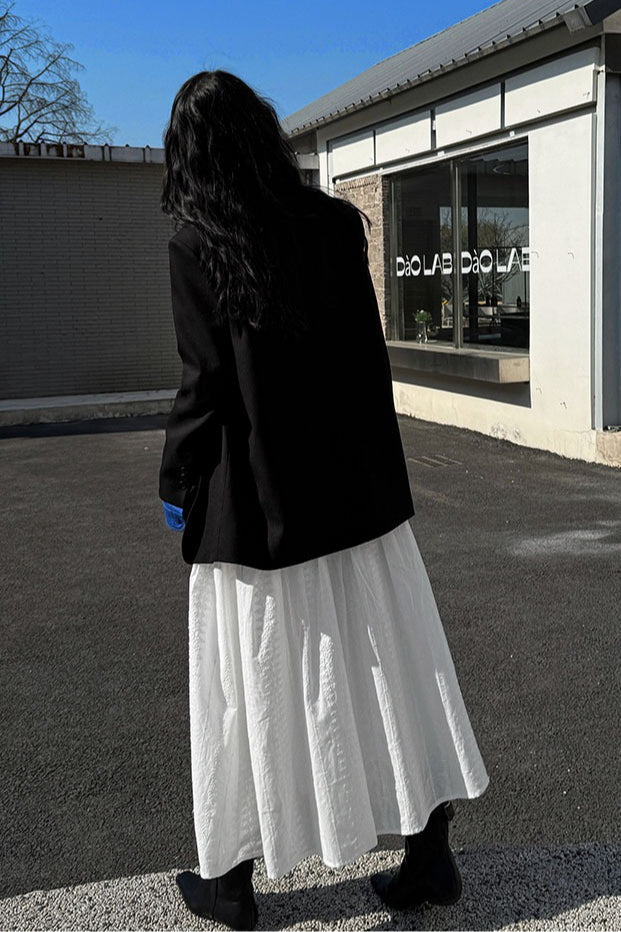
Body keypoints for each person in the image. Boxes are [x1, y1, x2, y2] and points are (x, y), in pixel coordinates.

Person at [159, 69, 489, 931]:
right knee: (395, 668)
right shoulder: (337, 223)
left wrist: (175, 482)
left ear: (189, 154)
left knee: (247, 682)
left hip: (256, 511)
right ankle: (428, 851)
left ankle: (230, 880)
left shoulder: (198, 243)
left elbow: (205, 383)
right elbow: (359, 357)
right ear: (263, 135)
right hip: (358, 493)